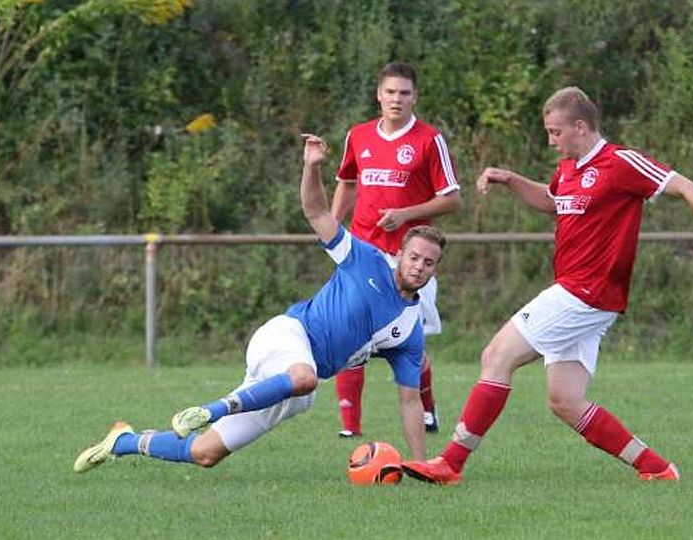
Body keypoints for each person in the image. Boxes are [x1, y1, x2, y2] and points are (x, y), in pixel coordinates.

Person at [401, 86, 693, 485]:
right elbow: (550, 200)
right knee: (565, 401)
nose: (550, 140)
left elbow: (687, 187)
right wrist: (509, 179)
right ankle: (657, 469)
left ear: (581, 126)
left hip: (584, 293)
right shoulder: (568, 169)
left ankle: (450, 463)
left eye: (555, 132)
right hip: (583, 295)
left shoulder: (621, 163)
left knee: (496, 356)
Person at [73, 134, 446, 473]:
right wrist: (311, 166)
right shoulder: (364, 259)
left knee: (205, 453)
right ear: (400, 254)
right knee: (304, 377)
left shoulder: (410, 331)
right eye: (413, 257)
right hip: (286, 338)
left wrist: (421, 464)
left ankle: (123, 441)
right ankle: (209, 410)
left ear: (434, 270)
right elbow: (316, 213)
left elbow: (410, 400)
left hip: (297, 383)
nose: (418, 266)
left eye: (428, 262)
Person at [331, 61, 462, 438]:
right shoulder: (358, 136)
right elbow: (347, 182)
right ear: (378, 95)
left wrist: (406, 214)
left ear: (414, 97)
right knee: (349, 331)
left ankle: (427, 411)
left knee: (407, 340)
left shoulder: (429, 139)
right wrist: (333, 229)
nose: (396, 99)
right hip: (362, 253)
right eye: (390, 92)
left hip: (410, 259)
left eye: (404, 93)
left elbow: (452, 199)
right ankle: (349, 428)